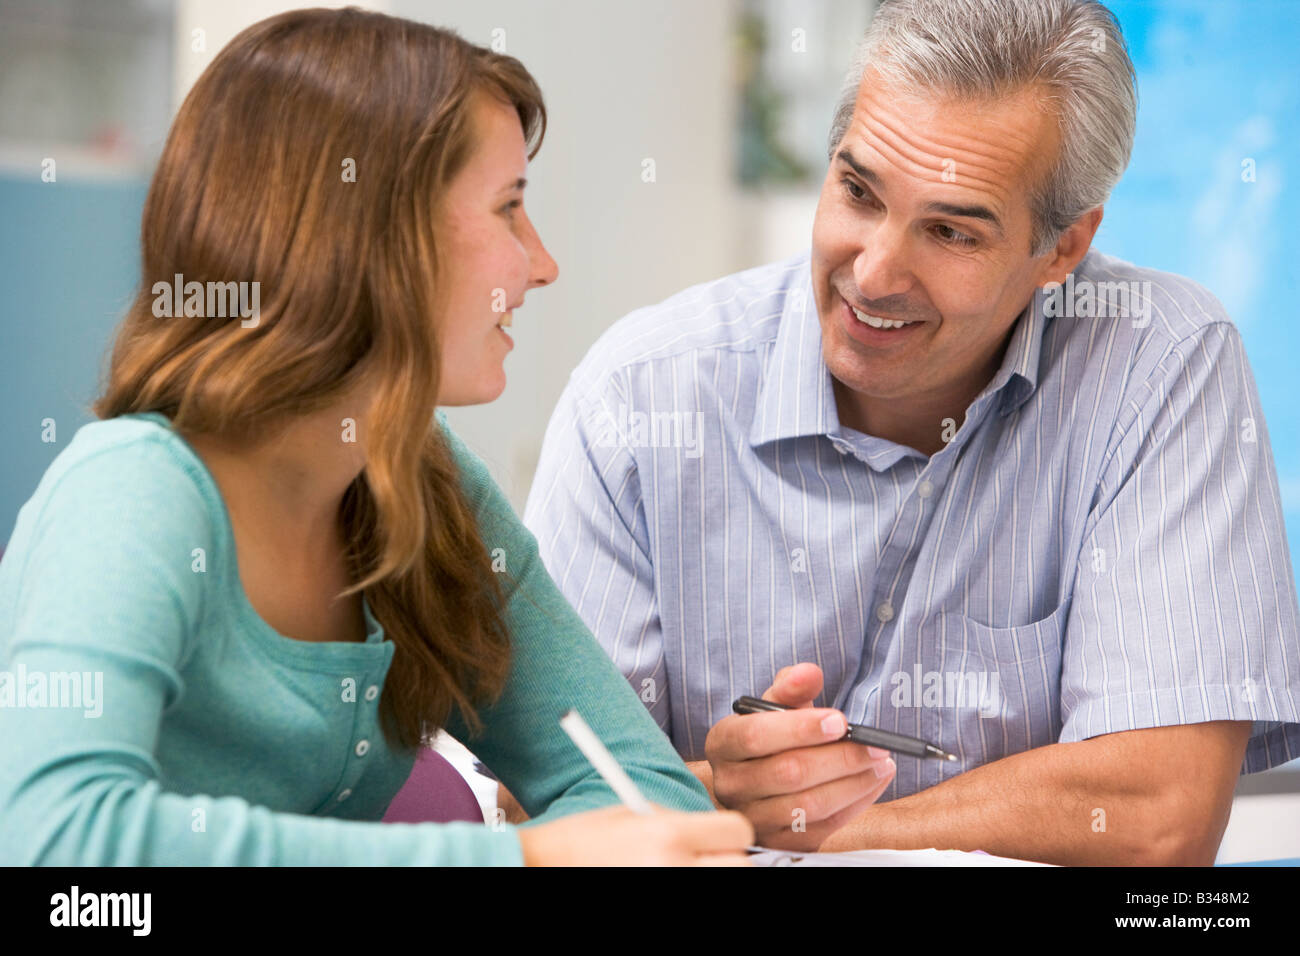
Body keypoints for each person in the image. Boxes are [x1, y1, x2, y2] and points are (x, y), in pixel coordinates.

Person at [523, 0, 1300, 865]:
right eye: (858, 191)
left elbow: (1161, 815)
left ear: (1063, 249)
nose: (875, 273)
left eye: (950, 231)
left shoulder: (1160, 363)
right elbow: (547, 804)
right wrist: (727, 795)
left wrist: (801, 828)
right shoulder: (639, 396)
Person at [0, 7, 752, 866]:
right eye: (510, 210)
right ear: (370, 241)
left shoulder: (421, 482)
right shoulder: (135, 493)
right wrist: (526, 860)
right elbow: (54, 845)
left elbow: (638, 788)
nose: (542, 264)